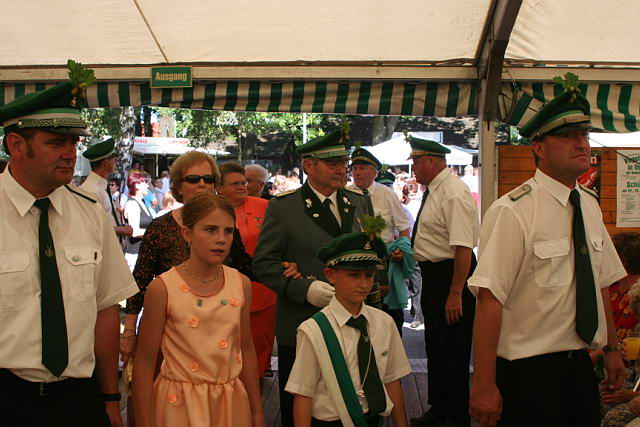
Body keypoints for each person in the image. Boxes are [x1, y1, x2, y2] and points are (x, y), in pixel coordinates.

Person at [468, 78, 627, 427]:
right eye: (568, 136)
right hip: (528, 374)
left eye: (584, 135)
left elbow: (599, 282)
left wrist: (613, 348)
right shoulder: (513, 211)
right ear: (538, 147)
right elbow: (490, 299)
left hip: (580, 367)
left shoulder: (588, 205)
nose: (581, 143)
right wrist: (483, 382)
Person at [0, 61, 138, 426]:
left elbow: (106, 310)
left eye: (73, 143)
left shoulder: (89, 212)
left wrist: (111, 398)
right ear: (16, 145)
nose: (70, 153)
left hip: (79, 398)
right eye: (56, 142)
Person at [253, 128, 375, 427]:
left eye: (343, 162)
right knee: (302, 408)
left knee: (354, 405)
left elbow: (371, 252)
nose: (341, 169)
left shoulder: (359, 201)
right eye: (332, 163)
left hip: (353, 321)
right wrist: (305, 289)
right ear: (309, 166)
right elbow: (264, 263)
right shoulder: (284, 207)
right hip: (304, 321)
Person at [132, 193, 266, 427]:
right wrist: (143, 421)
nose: (221, 239)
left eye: (228, 231)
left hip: (229, 402)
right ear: (187, 234)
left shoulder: (240, 284)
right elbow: (145, 361)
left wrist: (256, 412)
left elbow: (245, 348)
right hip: (179, 405)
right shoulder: (163, 288)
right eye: (210, 230)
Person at [286, 232, 411, 426]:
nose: (364, 284)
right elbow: (303, 393)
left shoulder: (385, 323)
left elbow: (392, 379)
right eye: (354, 275)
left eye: (369, 275)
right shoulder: (313, 330)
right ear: (331, 275)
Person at [408, 136, 479, 427]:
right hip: (435, 275)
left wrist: (455, 292)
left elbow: (463, 248)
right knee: (436, 346)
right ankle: (439, 408)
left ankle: (456, 415)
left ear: (431, 161)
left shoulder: (452, 193)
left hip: (452, 275)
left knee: (453, 350)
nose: (413, 167)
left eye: (416, 161)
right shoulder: (436, 189)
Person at [217, 161, 278, 381]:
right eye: (235, 183)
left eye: (244, 182)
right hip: (219, 293)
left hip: (260, 292)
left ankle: (255, 389)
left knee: (259, 344)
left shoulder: (265, 206)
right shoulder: (209, 209)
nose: (242, 187)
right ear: (219, 188)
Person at [348, 149, 411, 334]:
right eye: (354, 168)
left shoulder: (387, 194)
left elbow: (403, 227)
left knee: (390, 315)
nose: (357, 173)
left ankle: (392, 348)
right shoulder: (345, 193)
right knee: (359, 311)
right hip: (356, 262)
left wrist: (401, 250)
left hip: (384, 262)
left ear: (374, 172)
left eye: (362, 168)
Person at [80, 138, 133, 241]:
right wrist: (122, 230)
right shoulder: (91, 189)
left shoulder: (99, 186)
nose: (115, 162)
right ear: (106, 162)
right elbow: (92, 227)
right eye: (113, 158)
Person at [123, 171, 154, 271]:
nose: (147, 186)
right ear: (136, 185)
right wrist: (154, 232)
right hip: (134, 255)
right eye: (144, 183)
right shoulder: (132, 204)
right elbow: (134, 232)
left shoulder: (143, 202)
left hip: (144, 253)